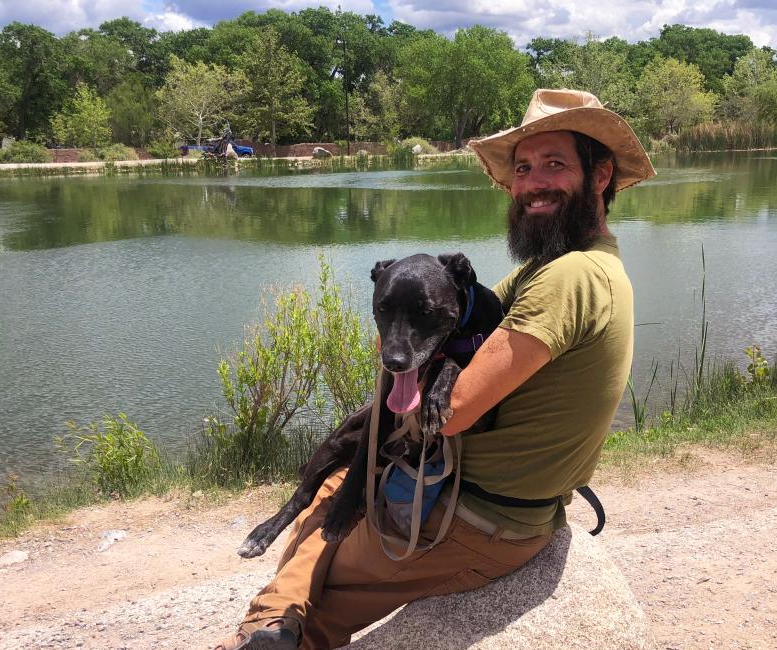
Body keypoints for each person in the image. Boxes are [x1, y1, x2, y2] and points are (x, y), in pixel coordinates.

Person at [218, 88, 656, 650]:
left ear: (600, 177)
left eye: (555, 165)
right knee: (336, 485)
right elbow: (459, 316)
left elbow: (449, 414)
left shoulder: (571, 278)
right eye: (523, 168)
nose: (533, 183)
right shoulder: (553, 272)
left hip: (473, 522)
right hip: (490, 506)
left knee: (319, 574)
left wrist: (408, 364)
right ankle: (277, 618)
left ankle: (276, 625)